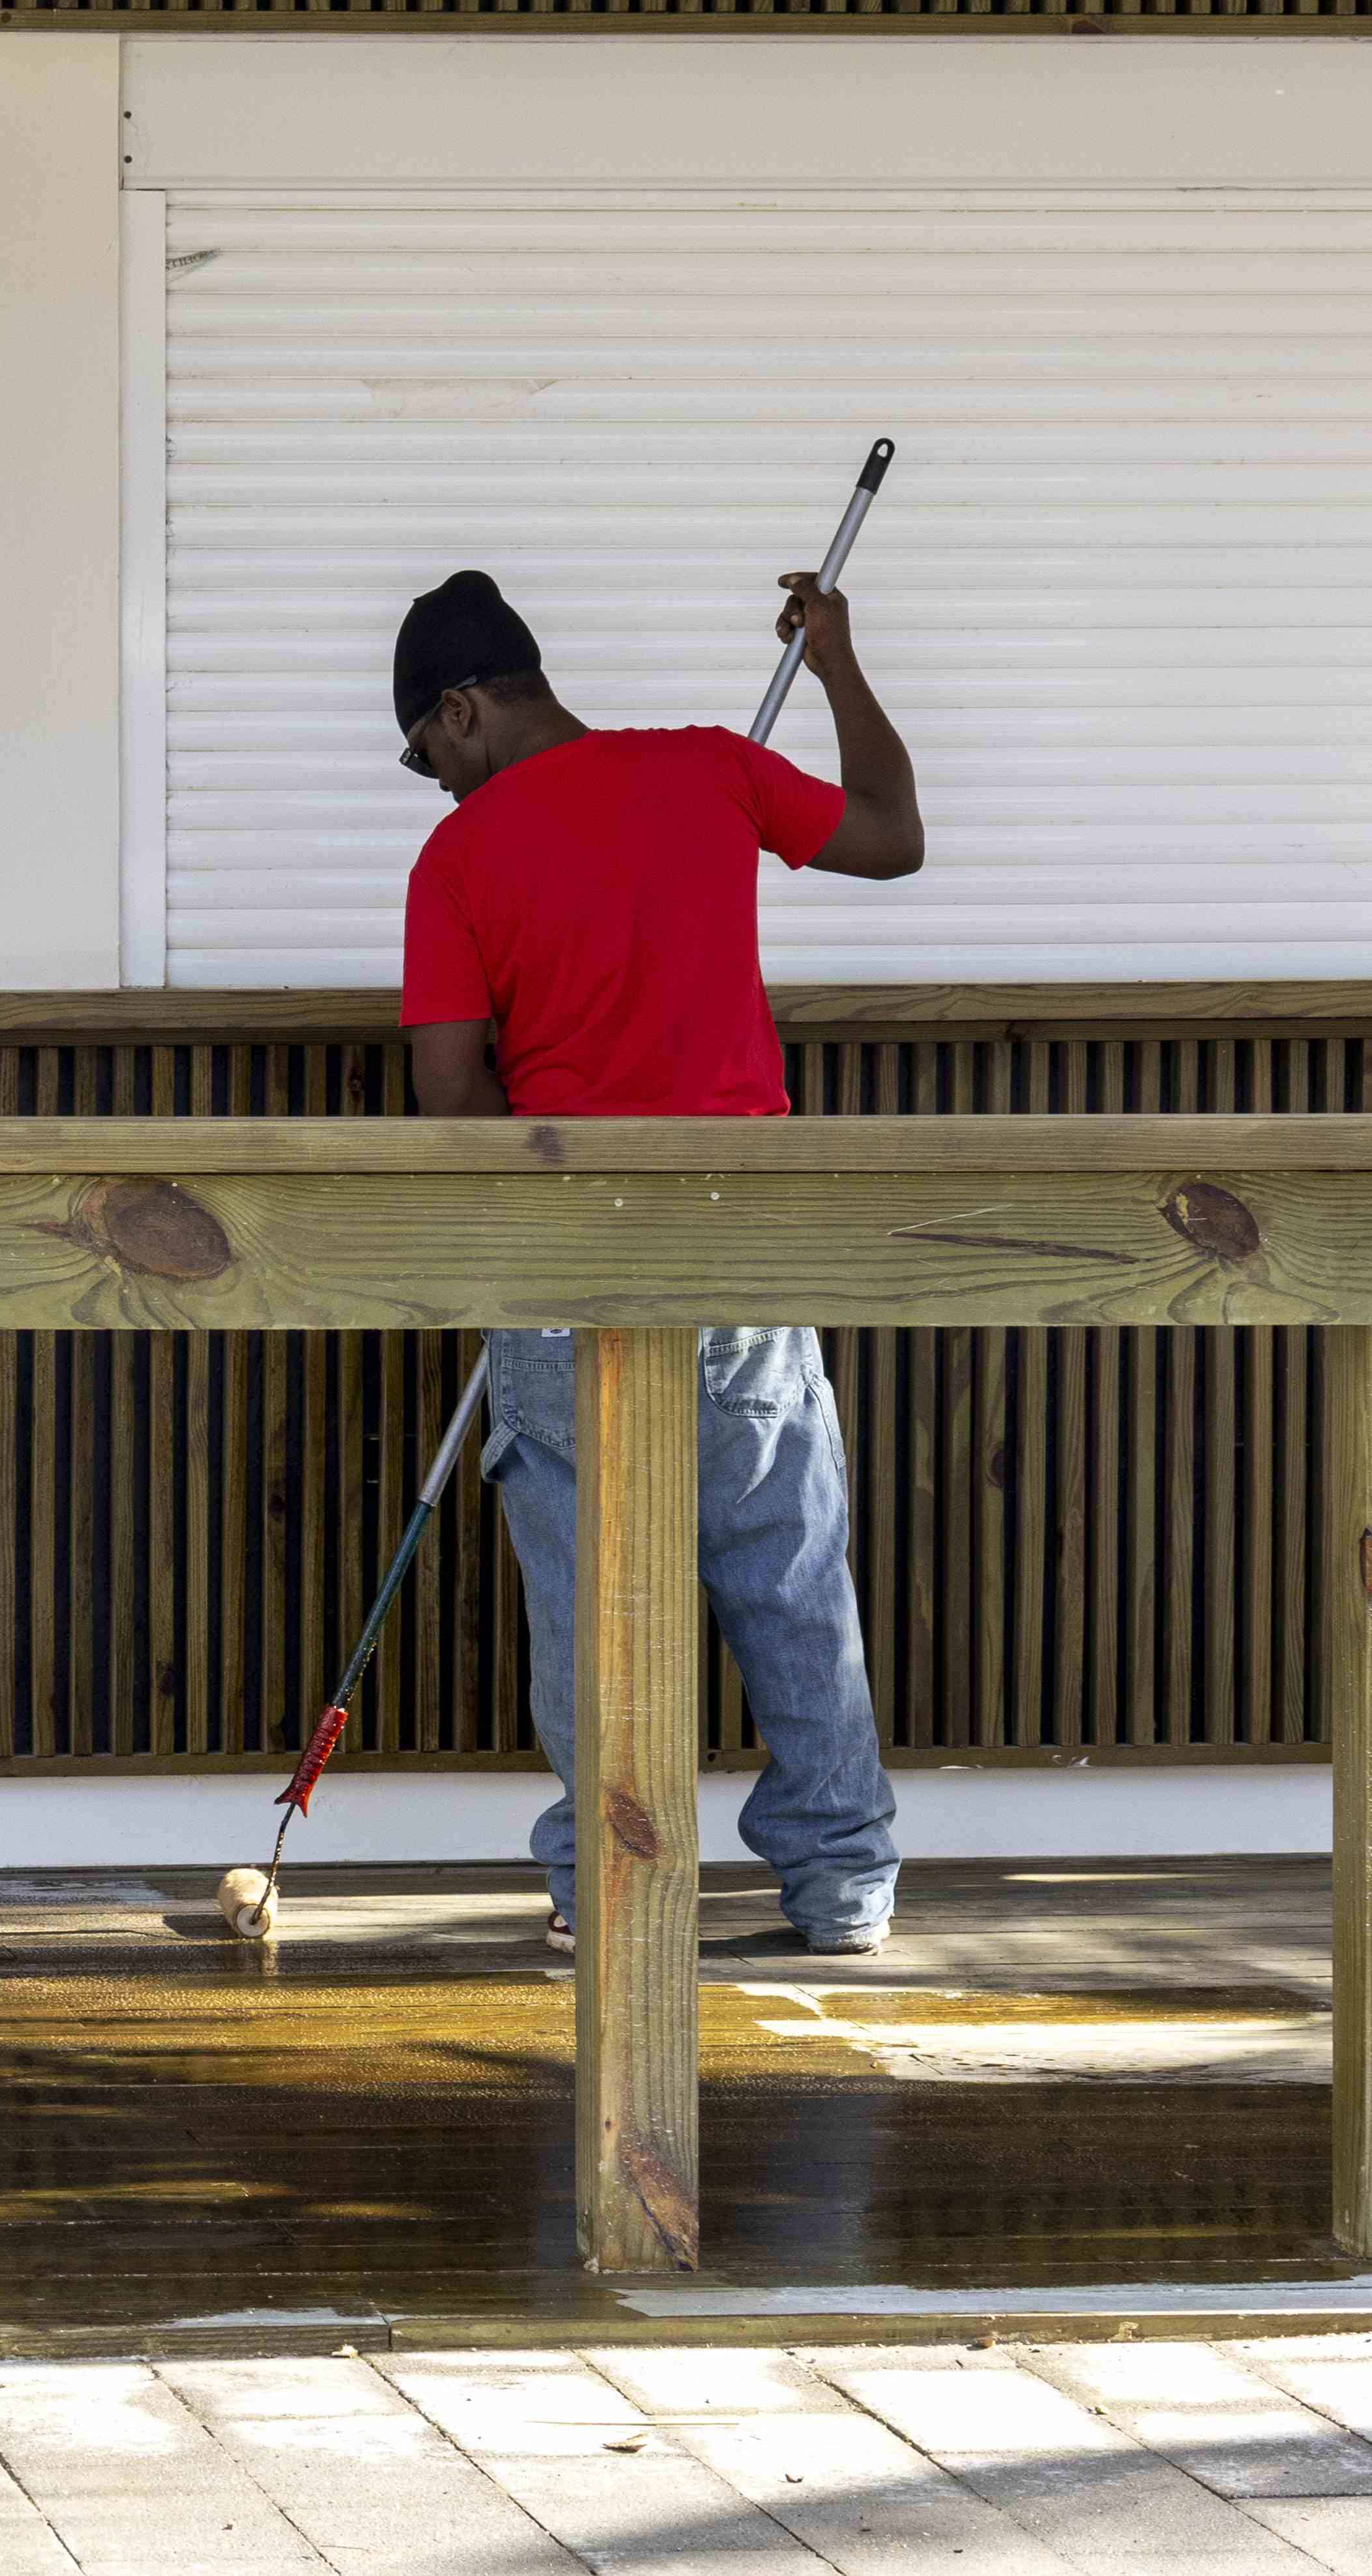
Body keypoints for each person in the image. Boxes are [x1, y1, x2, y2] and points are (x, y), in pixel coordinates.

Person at [390, 561, 926, 1957]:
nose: (431, 785)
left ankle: (611, 1895)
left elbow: (449, 1110)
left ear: (460, 709)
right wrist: (834, 668)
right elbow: (888, 835)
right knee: (785, 1572)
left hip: (569, 1260)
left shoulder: (457, 860)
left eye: (420, 752)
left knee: (587, 1597)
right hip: (738, 1237)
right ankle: (842, 1887)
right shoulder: (711, 772)